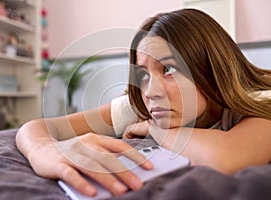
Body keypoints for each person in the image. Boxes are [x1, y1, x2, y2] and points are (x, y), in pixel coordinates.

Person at [16, 8, 271, 197]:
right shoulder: (140, 104)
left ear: (211, 71)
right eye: (144, 75)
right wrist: (42, 151)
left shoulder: (259, 101)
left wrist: (153, 130)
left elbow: (227, 157)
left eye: (169, 69)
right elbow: (38, 128)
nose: (151, 91)